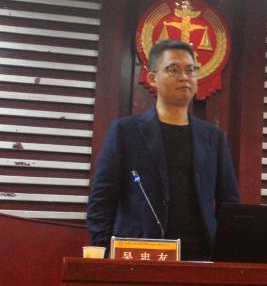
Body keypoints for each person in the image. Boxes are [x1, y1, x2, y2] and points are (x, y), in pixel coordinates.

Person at [86, 38, 239, 261]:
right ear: (152, 78)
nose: (185, 77)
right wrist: (107, 254)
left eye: (191, 70)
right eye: (173, 69)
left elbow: (229, 203)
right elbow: (101, 200)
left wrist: (226, 254)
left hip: (201, 256)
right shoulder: (125, 132)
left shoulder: (212, 137)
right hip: (141, 256)